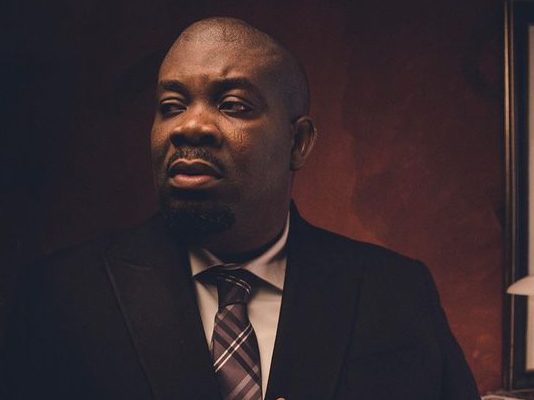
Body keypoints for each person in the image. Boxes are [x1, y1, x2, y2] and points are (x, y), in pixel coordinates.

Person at [2, 17, 479, 400]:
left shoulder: (396, 293)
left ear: (298, 142)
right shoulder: (61, 295)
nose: (188, 126)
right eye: (171, 105)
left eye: (232, 105)